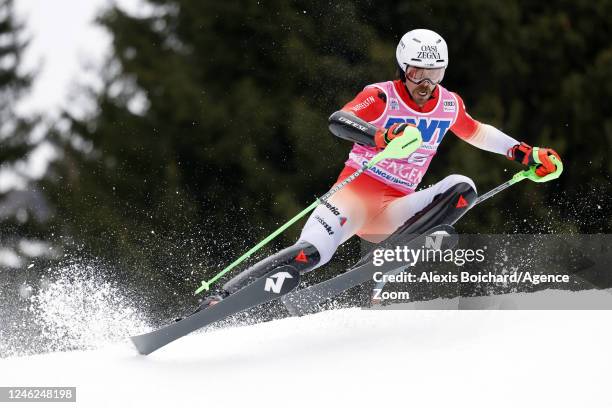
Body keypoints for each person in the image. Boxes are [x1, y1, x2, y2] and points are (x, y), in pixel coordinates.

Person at [198, 28, 561, 308]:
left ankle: (384, 262)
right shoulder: (383, 95)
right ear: (404, 69)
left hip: (394, 210)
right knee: (310, 254)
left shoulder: (448, 104)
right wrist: (382, 136)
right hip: (354, 197)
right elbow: (339, 120)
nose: (426, 84)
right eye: (418, 73)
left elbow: (477, 131)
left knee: (462, 187)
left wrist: (523, 153)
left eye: (435, 73)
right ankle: (220, 297)